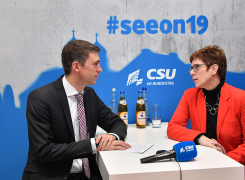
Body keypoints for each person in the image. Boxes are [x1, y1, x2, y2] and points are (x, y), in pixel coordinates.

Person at [22, 40, 131, 180]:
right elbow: (44, 150)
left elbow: (116, 122)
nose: (100, 69)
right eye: (95, 64)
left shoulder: (89, 94)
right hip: (53, 175)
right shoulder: (41, 98)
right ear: (76, 66)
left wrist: (112, 137)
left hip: (87, 174)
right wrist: (94, 144)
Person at [167, 45, 245, 165]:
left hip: (233, 167)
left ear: (214, 69)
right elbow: (173, 128)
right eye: (191, 68)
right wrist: (200, 138)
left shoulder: (240, 98)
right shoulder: (190, 95)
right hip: (201, 165)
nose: (192, 73)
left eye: (196, 67)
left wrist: (225, 161)